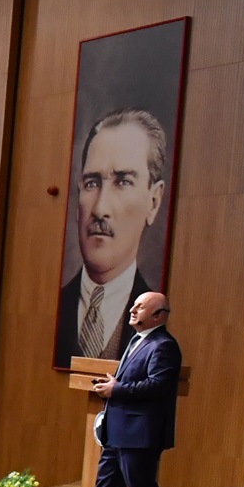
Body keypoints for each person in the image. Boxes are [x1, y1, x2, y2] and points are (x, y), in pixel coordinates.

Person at [49, 290, 182, 487]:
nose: (133, 310)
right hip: (120, 431)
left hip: (140, 434)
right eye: (133, 305)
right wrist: (115, 383)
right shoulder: (137, 340)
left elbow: (159, 386)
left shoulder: (164, 345)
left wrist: (116, 389)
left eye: (141, 307)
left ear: (159, 316)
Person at [57, 109, 165, 366]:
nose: (99, 208)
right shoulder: (51, 310)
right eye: (92, 183)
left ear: (153, 201)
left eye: (123, 182)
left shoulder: (162, 320)